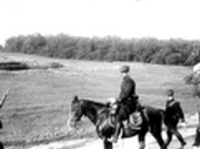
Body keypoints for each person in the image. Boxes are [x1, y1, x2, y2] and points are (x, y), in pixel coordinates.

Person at [110, 65, 141, 143]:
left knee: (119, 116)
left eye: (124, 72)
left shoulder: (129, 81)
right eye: (122, 72)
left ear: (127, 72)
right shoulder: (124, 80)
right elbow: (122, 92)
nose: (123, 74)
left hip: (129, 103)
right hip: (124, 101)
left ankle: (116, 136)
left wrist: (119, 99)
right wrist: (117, 100)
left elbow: (127, 93)